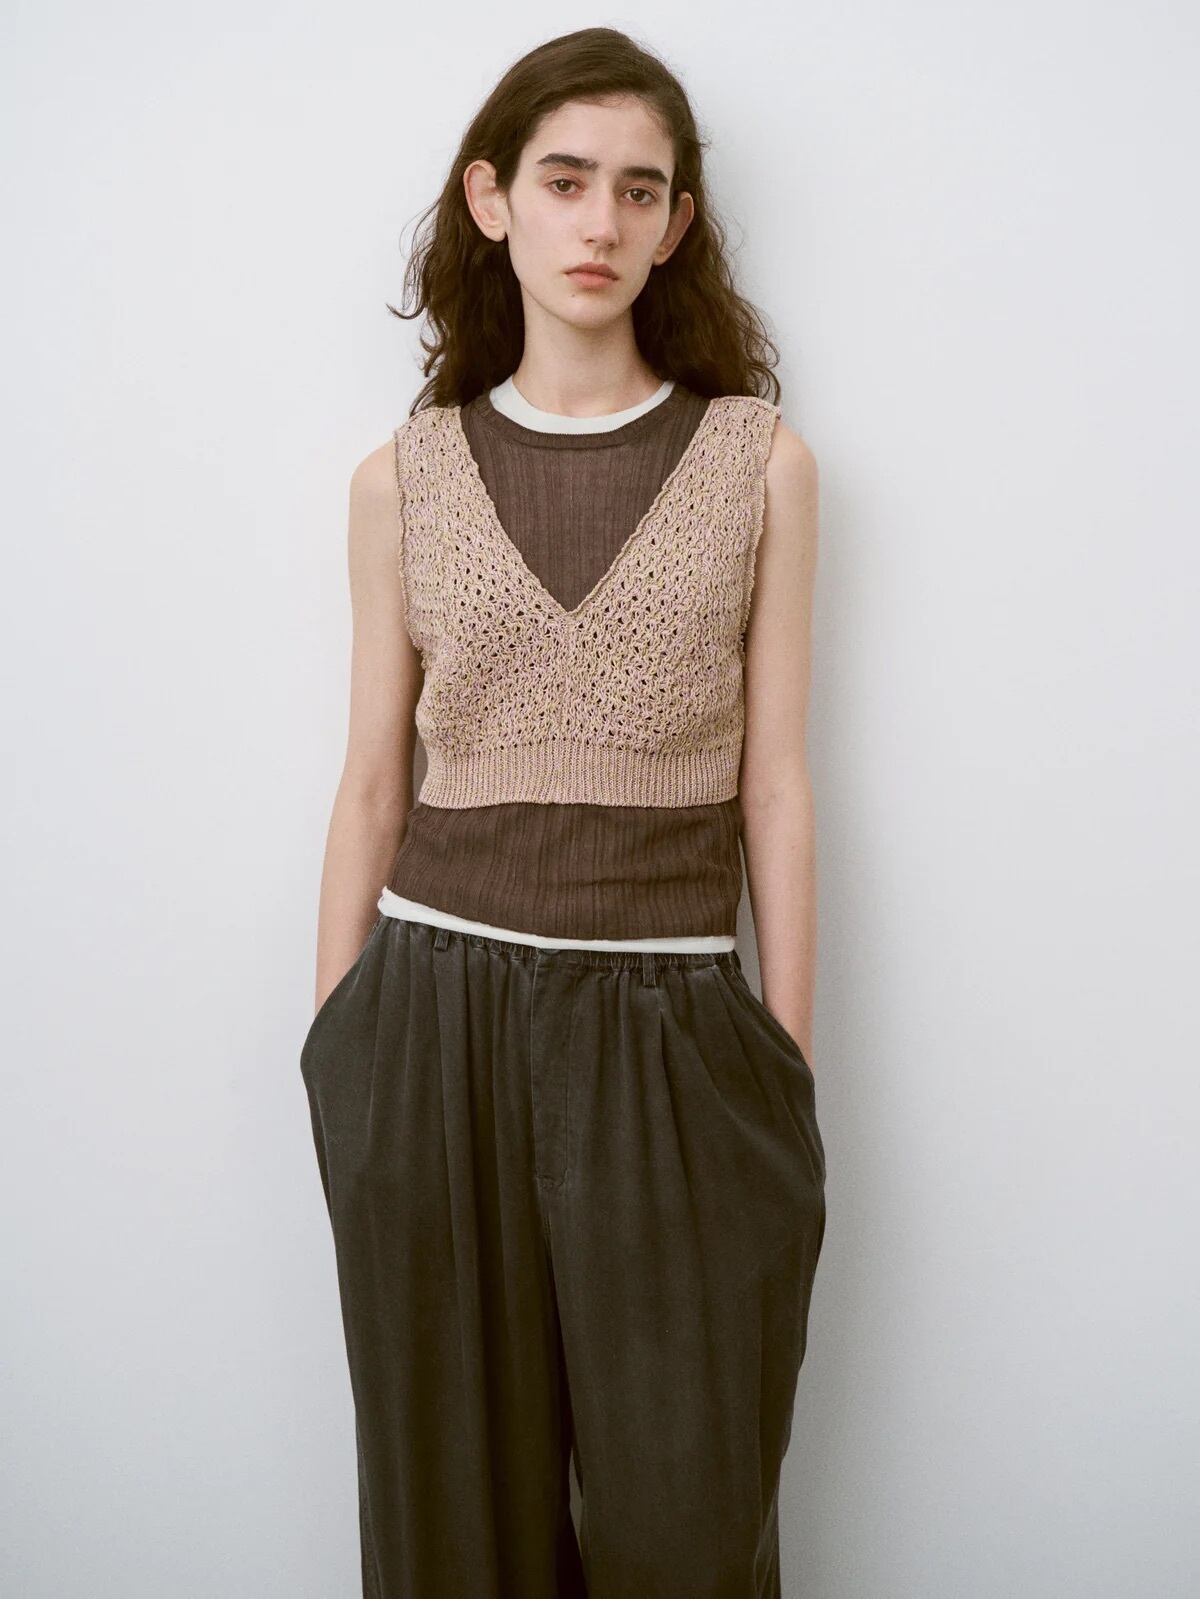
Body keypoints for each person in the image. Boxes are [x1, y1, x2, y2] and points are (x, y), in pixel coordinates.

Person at [299, 25, 825, 1599]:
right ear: (494, 202)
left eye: (638, 190)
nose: (600, 222)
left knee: (688, 1519)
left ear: (676, 224)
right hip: (431, 1023)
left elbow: (778, 784)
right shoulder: (403, 478)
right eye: (565, 180)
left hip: (675, 1033)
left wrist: (783, 1065)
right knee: (454, 1523)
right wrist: (338, 1049)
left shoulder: (760, 467)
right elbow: (372, 779)